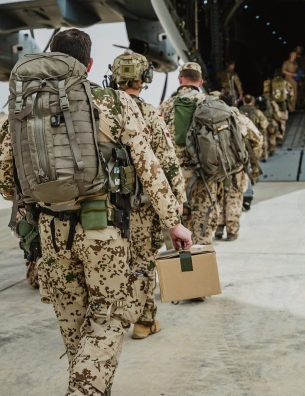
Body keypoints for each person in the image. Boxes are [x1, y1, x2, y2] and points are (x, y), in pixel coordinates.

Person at [0, 28, 192, 396]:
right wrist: (175, 223)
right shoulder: (116, 103)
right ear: (88, 64)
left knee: (72, 322)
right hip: (101, 229)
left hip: (50, 234)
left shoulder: (23, 107)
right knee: (108, 316)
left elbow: (7, 179)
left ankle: (86, 381)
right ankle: (85, 390)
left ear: (52, 56)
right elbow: (150, 167)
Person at [109, 50, 186, 340]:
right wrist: (176, 204)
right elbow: (167, 161)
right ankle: (144, 321)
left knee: (114, 263)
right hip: (140, 207)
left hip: (105, 205)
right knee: (142, 263)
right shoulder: (149, 113)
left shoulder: (101, 109)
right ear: (145, 78)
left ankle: (113, 319)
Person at [160, 62, 219, 245]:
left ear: (180, 79)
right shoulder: (209, 103)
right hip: (204, 175)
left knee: (178, 234)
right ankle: (204, 270)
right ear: (200, 82)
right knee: (203, 232)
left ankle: (182, 271)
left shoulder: (166, 106)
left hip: (174, 179)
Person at [215, 92, 263, 241]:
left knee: (218, 196)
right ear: (235, 103)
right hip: (236, 166)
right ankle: (232, 231)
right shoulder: (241, 119)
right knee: (234, 197)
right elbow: (258, 139)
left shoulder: (214, 119)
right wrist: (250, 157)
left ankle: (219, 226)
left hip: (217, 166)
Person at [239, 94, 269, 162]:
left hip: (243, 136)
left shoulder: (239, 112)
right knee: (263, 137)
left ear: (243, 102)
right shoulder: (256, 111)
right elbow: (264, 123)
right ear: (252, 102)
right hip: (255, 135)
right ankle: (264, 156)